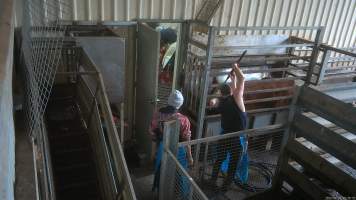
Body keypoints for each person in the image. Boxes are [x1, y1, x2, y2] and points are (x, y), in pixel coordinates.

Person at [210, 63, 248, 190]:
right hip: (237, 137)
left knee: (219, 159)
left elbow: (216, 101)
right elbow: (242, 78)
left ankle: (212, 181)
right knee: (233, 164)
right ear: (231, 91)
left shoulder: (221, 103)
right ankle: (225, 188)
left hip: (225, 134)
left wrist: (233, 80)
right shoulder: (237, 97)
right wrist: (236, 67)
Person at [149, 90, 194, 191]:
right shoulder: (183, 119)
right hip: (178, 148)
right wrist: (190, 156)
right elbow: (187, 139)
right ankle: (182, 194)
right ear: (180, 104)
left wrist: (153, 153)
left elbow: (153, 134)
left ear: (169, 101)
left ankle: (159, 191)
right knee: (182, 173)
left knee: (160, 171)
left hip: (162, 146)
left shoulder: (158, 114)